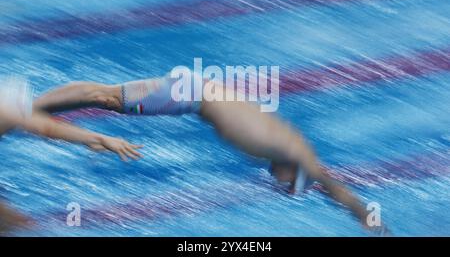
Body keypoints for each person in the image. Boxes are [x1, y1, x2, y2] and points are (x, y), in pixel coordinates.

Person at [33, 72, 388, 233]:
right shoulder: (295, 152)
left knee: (107, 96)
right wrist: (380, 230)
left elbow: (334, 192)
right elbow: (342, 194)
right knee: (105, 97)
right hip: (190, 94)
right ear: (292, 171)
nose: (273, 181)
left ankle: (34, 108)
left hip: (193, 94)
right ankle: (30, 107)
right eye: (285, 185)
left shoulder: (288, 151)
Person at [0, 77, 143, 234]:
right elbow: (46, 127)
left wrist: (96, 138)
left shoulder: (8, 107)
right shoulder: (7, 110)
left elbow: (46, 127)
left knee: (18, 225)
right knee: (17, 225)